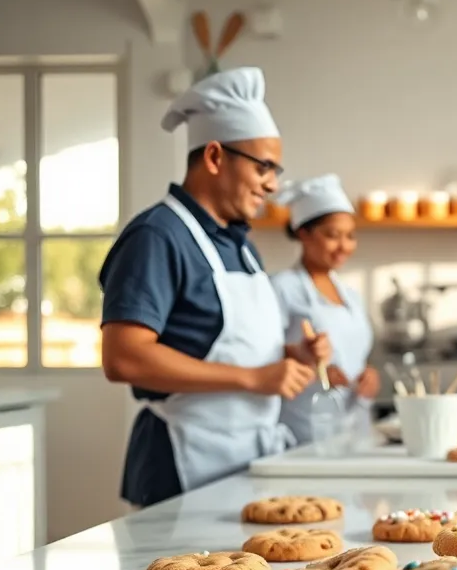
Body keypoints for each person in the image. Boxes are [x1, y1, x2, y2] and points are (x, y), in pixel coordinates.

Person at [99, 67, 330, 507]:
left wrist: (290, 358)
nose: (273, 184)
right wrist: (253, 377)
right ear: (214, 157)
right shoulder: (158, 234)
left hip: (244, 462)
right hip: (182, 464)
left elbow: (214, 343)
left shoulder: (239, 246)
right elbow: (123, 357)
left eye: (276, 170)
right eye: (263, 166)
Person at [271, 174, 378, 445]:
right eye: (333, 235)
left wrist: (369, 374)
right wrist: (314, 372)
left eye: (350, 236)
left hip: (356, 427)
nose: (344, 246)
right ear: (303, 234)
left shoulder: (351, 296)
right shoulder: (282, 288)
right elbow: (262, 356)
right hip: (305, 429)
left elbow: (354, 354)